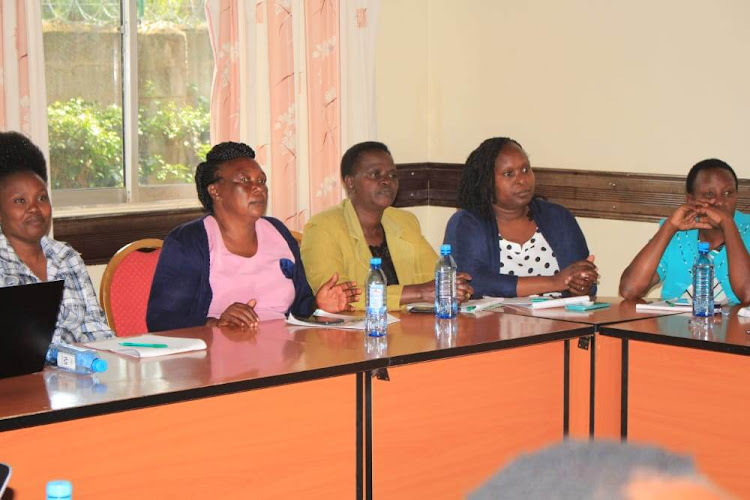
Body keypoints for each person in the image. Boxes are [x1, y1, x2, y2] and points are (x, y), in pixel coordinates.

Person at [146, 142, 359, 331]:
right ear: (215, 191)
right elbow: (161, 320)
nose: (258, 188)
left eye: (261, 180)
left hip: (284, 361)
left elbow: (300, 308)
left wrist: (318, 306)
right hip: (219, 366)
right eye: (245, 180)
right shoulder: (190, 241)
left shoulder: (278, 232)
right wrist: (214, 322)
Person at [301, 141, 473, 311]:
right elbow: (339, 296)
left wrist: (453, 288)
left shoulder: (404, 221)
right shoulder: (323, 228)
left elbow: (434, 276)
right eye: (375, 174)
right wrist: (419, 292)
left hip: (406, 329)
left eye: (392, 175)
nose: (386, 181)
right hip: (355, 334)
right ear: (350, 182)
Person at [444, 137, 598, 298]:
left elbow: (585, 284)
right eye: (509, 174)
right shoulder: (467, 222)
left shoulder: (558, 217)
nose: (522, 180)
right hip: (492, 321)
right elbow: (473, 282)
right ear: (486, 181)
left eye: (526, 170)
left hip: (560, 320)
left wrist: (581, 284)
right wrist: (554, 282)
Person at [0, 131, 112, 344]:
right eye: (20, 201)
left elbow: (95, 329)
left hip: (77, 371)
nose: (34, 208)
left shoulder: (66, 257)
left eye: (42, 198)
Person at [620, 159, 749, 305]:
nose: (720, 202)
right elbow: (629, 290)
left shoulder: (747, 229)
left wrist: (727, 224)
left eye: (728, 193)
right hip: (674, 326)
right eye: (709, 194)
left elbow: (748, 295)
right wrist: (669, 227)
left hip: (734, 327)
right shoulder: (677, 233)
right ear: (691, 200)